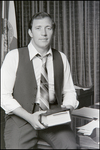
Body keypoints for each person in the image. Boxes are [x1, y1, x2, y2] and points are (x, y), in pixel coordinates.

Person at [1, 12, 79, 149]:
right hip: (21, 118)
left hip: (53, 116)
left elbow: (70, 92)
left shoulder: (61, 57)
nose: (44, 33)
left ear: (53, 31)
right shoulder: (13, 57)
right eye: (38, 28)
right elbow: (3, 96)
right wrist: (30, 117)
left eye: (48, 28)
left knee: (71, 147)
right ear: (30, 32)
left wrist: (66, 109)